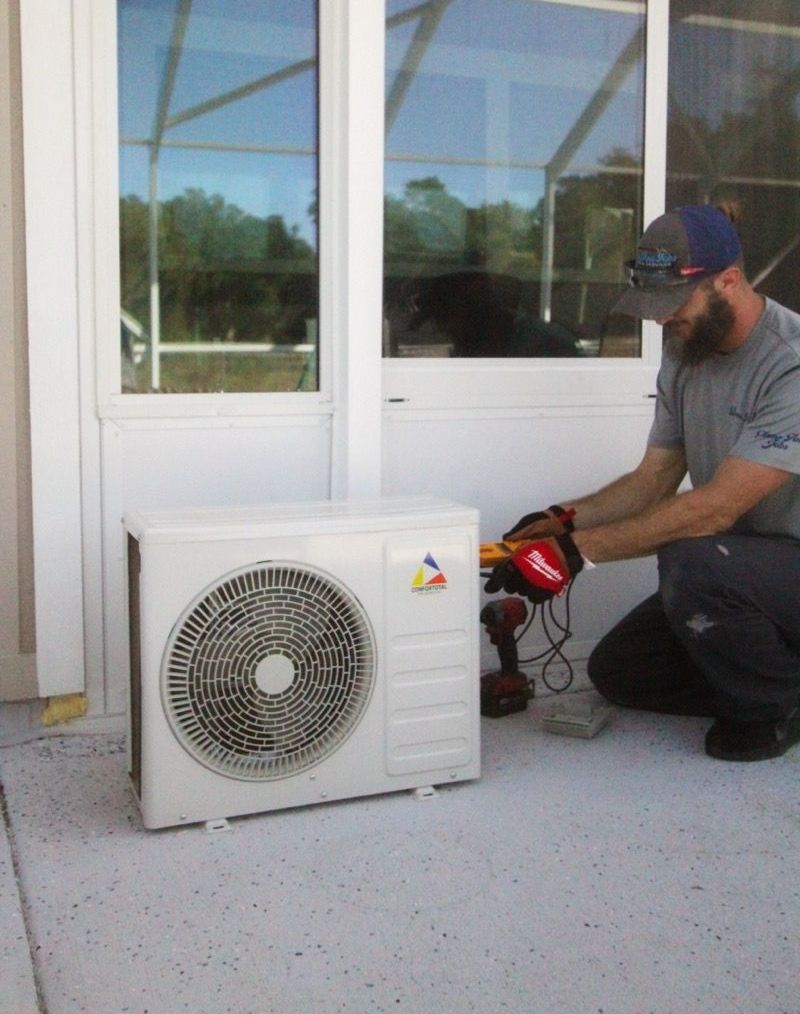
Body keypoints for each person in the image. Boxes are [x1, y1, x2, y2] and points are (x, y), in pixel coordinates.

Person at [485, 202, 800, 762]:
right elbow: (653, 478)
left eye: (672, 304)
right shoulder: (687, 352)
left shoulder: (790, 364)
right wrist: (562, 520)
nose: (660, 320)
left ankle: (771, 706)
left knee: (691, 559)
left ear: (728, 280)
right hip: (747, 569)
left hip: (776, 563)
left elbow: (716, 509)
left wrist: (571, 555)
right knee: (621, 672)